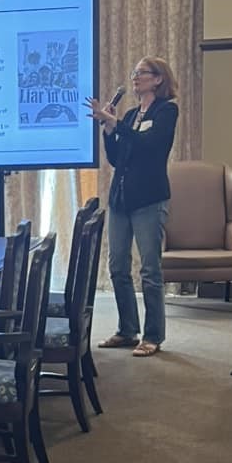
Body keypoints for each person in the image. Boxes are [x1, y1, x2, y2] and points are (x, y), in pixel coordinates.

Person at [84, 56, 179, 357]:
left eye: (142, 73)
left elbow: (150, 146)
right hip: (121, 199)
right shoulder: (129, 116)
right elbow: (116, 158)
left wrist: (116, 125)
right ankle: (127, 330)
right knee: (117, 267)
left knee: (150, 270)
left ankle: (153, 336)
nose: (135, 78)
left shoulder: (167, 111)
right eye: (134, 72)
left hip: (149, 199)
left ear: (158, 79)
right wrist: (109, 129)